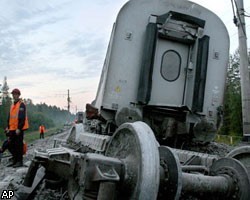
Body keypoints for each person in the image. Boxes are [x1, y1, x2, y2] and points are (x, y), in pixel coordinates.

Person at [5, 88, 29, 168]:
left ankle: (19, 161)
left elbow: (22, 117)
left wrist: (19, 128)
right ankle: (15, 160)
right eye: (13, 94)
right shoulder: (12, 105)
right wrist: (7, 127)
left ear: (18, 95)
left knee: (18, 145)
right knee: (12, 145)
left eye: (15, 94)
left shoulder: (21, 104)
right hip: (11, 129)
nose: (14, 95)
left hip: (18, 129)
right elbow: (9, 117)